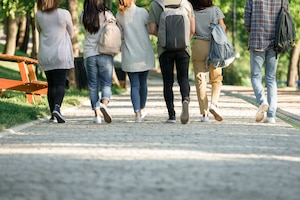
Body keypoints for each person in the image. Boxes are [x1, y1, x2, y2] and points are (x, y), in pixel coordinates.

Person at [148, 0, 195, 124]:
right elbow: (192, 29)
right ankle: (185, 99)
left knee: (167, 81)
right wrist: (183, 40)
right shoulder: (186, 4)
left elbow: (152, 29)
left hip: (164, 49)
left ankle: (171, 115)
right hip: (184, 49)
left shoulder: (155, 5)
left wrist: (165, 37)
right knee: (183, 78)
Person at [244, 0, 288, 124]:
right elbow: (286, 16)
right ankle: (271, 116)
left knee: (255, 76)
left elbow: (247, 16)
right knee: (271, 78)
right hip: (276, 41)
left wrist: (252, 30)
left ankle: (262, 101)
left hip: (257, 39)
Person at [116, 0, 155, 123]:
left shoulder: (119, 14)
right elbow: (150, 29)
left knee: (134, 85)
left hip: (129, 54)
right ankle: (142, 109)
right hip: (144, 54)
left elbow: (120, 35)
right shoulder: (142, 12)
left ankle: (137, 113)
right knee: (143, 83)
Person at [36, 0, 74, 123]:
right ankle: (57, 107)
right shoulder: (64, 14)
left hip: (46, 53)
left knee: (51, 84)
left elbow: (39, 30)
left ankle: (52, 114)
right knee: (60, 83)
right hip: (61, 53)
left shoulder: (39, 15)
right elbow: (71, 33)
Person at [188, 0, 226, 122]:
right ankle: (214, 104)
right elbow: (223, 27)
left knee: (200, 79)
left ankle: (204, 114)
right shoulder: (215, 10)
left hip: (199, 44)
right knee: (216, 78)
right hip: (214, 45)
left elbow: (191, 30)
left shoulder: (192, 12)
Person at [80, 0, 114, 124]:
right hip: (105, 53)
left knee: (93, 85)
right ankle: (104, 103)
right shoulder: (107, 14)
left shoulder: (82, 15)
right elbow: (114, 28)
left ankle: (97, 116)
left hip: (89, 54)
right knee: (106, 83)